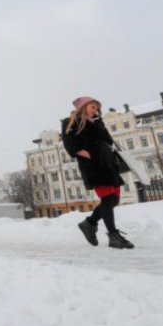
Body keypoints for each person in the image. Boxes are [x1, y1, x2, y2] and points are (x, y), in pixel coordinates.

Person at [61, 96, 134, 249]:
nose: (96, 110)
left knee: (114, 200)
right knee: (107, 198)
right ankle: (113, 236)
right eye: (92, 107)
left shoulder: (98, 122)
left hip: (108, 164)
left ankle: (89, 223)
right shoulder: (71, 121)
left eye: (97, 108)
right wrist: (81, 152)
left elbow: (108, 141)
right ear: (83, 107)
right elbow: (68, 142)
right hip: (93, 165)